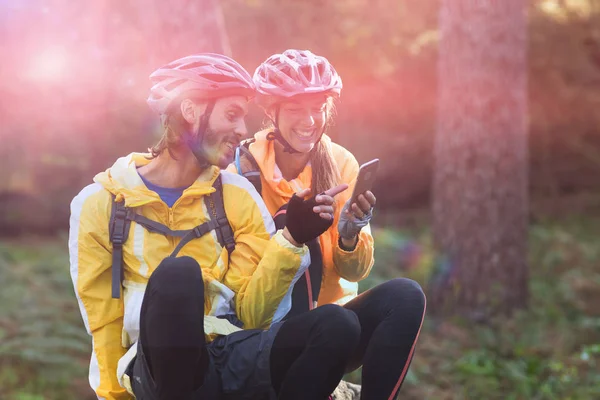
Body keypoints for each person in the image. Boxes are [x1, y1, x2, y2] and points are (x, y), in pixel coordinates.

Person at [69, 53, 359, 400]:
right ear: (191, 112)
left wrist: (292, 238)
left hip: (227, 355)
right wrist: (113, 396)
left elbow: (253, 314)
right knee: (179, 276)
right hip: (155, 369)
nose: (242, 130)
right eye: (232, 115)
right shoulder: (100, 203)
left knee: (336, 324)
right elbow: (104, 321)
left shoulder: (238, 196)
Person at [228, 49, 427, 399]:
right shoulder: (241, 175)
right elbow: (248, 306)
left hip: (338, 329)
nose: (309, 120)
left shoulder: (339, 163)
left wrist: (350, 235)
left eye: (318, 108)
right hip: (268, 335)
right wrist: (293, 235)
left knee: (405, 296)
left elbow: (353, 273)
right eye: (295, 109)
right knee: (310, 260)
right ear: (271, 110)